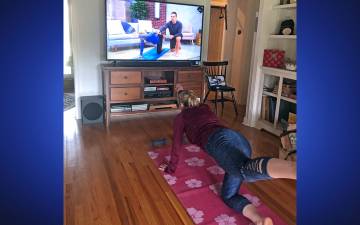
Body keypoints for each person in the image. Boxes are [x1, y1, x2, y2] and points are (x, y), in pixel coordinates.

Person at [160, 85, 296, 225]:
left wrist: (170, 168)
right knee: (229, 196)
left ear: (181, 105)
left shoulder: (180, 118)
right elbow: (190, 100)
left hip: (217, 141)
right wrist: (182, 90)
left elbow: (177, 144)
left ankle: (294, 169)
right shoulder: (204, 108)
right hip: (238, 139)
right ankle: (259, 220)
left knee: (244, 170)